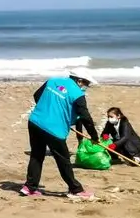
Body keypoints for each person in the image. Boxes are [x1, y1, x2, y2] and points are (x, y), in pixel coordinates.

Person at [21, 69, 100, 199]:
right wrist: (94, 136)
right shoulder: (77, 93)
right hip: (54, 129)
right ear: (79, 81)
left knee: (36, 155)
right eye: (86, 84)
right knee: (63, 159)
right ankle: (75, 189)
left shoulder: (53, 81)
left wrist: (48, 110)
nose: (86, 87)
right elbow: (85, 117)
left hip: (35, 121)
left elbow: (37, 96)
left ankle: (29, 187)